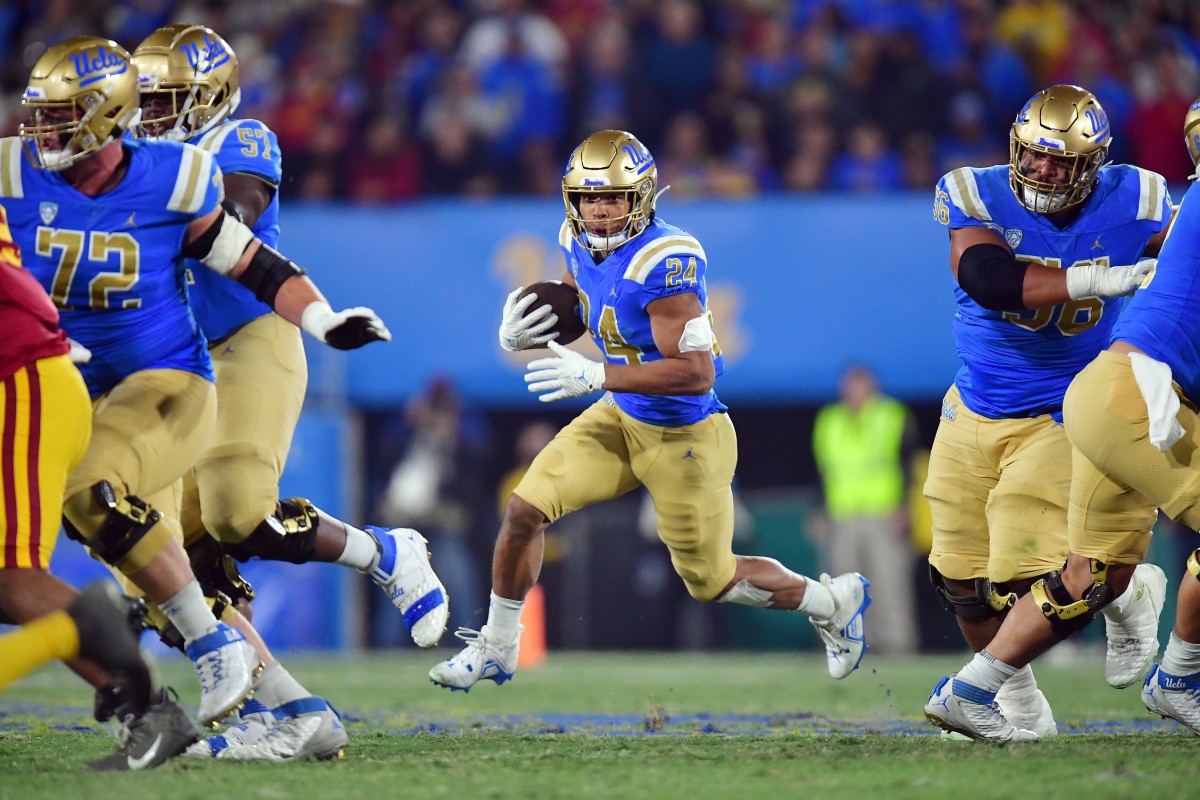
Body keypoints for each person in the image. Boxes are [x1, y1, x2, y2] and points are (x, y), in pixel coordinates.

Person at [2, 36, 385, 731]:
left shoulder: (177, 176)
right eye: (41, 113)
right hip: (84, 386)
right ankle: (297, 714)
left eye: (62, 116)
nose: (42, 130)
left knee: (95, 495)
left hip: (167, 380)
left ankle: (216, 646)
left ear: (104, 114)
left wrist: (324, 320)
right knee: (146, 564)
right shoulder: (12, 170)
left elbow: (250, 261)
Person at [429, 129, 872, 691]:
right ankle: (497, 645)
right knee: (523, 510)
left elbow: (695, 374)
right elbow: (581, 304)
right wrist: (531, 330)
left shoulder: (666, 262)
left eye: (612, 196)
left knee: (711, 580)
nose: (599, 209)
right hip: (622, 416)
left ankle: (831, 603)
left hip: (685, 436)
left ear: (642, 197)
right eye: (588, 197)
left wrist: (595, 374)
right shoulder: (574, 238)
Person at [131, 24, 448, 653]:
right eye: (142, 98)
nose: (148, 113)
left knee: (237, 512)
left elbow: (234, 218)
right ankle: (266, 703)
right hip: (181, 358)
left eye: (163, 97)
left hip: (250, 336)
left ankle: (386, 552)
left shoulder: (238, 138)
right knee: (164, 551)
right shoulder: (136, 162)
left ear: (208, 94)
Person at [923, 84, 1173, 741]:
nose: (1040, 172)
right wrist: (1101, 279)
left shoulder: (1140, 199)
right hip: (973, 401)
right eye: (1031, 156)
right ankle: (1022, 710)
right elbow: (990, 280)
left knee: (1019, 578)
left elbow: (1183, 269)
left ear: (1091, 165)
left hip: (1064, 408)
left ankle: (1128, 589)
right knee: (958, 581)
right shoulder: (975, 191)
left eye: (1058, 162)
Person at [0, 208, 195, 770]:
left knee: (15, 579)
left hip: (19, 378)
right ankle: (130, 679)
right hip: (33, 375)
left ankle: (145, 697)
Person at [812, 363, 918, 655]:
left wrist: (904, 508)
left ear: (872, 386)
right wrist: (819, 509)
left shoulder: (892, 416)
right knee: (842, 586)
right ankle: (848, 645)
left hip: (882, 513)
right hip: (842, 514)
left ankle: (896, 644)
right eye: (849, 384)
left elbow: (909, 465)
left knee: (888, 582)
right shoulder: (829, 420)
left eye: (860, 384)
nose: (854, 391)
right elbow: (822, 470)